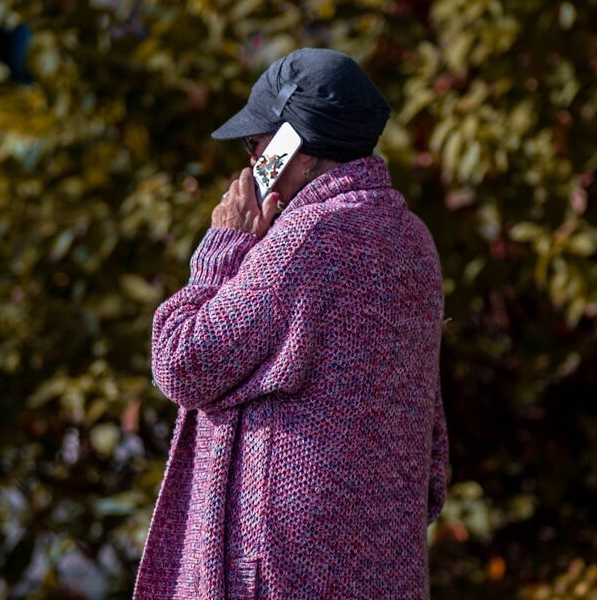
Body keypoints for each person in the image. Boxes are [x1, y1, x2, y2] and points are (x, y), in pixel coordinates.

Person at [133, 47, 449, 600]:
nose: (250, 164)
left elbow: (182, 361)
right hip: (383, 573)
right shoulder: (413, 241)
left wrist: (222, 247)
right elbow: (433, 451)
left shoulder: (303, 242)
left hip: (280, 573)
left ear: (292, 148)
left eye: (258, 146)